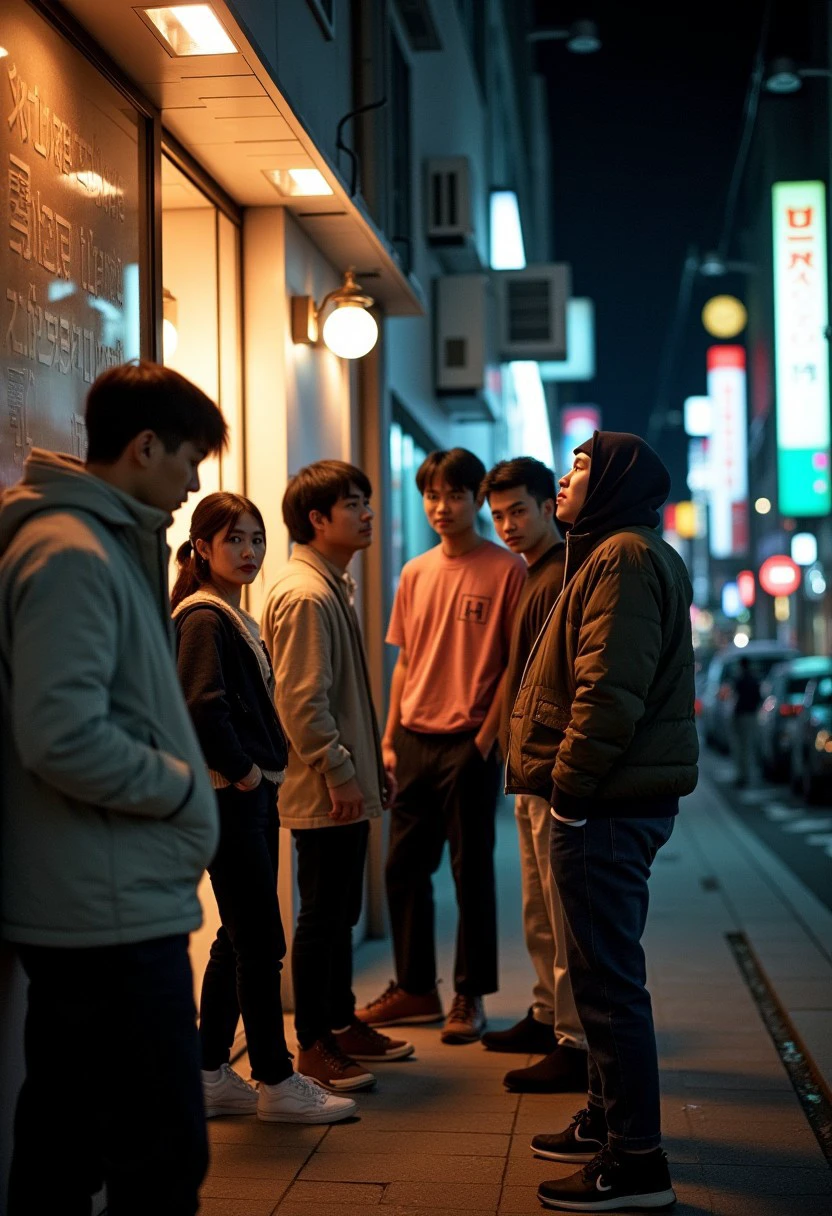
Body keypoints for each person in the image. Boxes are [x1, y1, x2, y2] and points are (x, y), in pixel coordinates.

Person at [0, 361, 226, 1215]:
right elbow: (62, 735)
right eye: (189, 459)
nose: (194, 482)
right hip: (108, 912)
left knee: (65, 1142)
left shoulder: (85, 542)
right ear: (143, 447)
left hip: (99, 900)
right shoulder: (72, 553)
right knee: (158, 1155)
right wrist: (176, 788)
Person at [506, 432, 698, 1212]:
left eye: (582, 466)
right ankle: (605, 1122)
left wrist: (573, 793)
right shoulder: (618, 552)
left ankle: (635, 1161)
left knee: (608, 983)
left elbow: (607, 692)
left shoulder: (621, 557)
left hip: (607, 804)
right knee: (595, 976)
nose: (564, 476)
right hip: (611, 799)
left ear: (616, 482)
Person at [172, 491, 356, 1125]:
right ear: (201, 548)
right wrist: (248, 772)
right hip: (232, 798)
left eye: (256, 540)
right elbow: (202, 708)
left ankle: (210, 1070)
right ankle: (277, 1081)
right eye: (234, 540)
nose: (249, 551)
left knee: (240, 934)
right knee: (260, 939)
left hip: (244, 797)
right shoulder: (204, 616)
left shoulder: (225, 611)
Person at [358, 448, 526, 1044]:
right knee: (402, 868)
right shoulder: (414, 572)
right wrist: (388, 736)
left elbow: (514, 665)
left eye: (455, 494)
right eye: (432, 494)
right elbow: (405, 659)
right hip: (412, 737)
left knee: (471, 872)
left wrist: (485, 741)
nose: (441, 506)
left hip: (469, 745)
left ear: (476, 499)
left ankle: (469, 995)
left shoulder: (508, 570)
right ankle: (415, 988)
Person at [262, 460, 412, 1094]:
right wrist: (340, 771)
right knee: (323, 912)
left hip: (342, 781)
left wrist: (366, 766)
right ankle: (315, 1044)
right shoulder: (305, 592)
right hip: (324, 787)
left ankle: (342, 1023)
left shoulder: (331, 584)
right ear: (317, 519)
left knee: (340, 907)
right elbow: (301, 702)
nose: (368, 514)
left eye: (367, 502)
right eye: (354, 504)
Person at [481, 458, 588, 1095]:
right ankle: (549, 1016)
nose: (508, 525)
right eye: (498, 515)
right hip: (526, 767)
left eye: (518, 510)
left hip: (549, 770)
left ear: (549, 505)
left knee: (561, 904)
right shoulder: (531, 574)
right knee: (537, 904)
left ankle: (572, 1041)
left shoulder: (562, 574)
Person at [732, 656, 761, 788]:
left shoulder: (741, 680)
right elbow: (758, 697)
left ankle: (743, 775)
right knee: (749, 746)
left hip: (742, 715)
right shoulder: (753, 680)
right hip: (750, 714)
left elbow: (736, 696)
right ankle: (748, 774)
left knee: (742, 747)